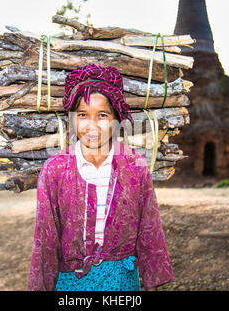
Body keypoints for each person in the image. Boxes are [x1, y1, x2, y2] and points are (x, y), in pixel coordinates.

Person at [26, 64, 175, 291]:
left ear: (116, 119)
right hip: (71, 286)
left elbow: (149, 229)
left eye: (102, 115)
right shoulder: (54, 170)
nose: (92, 125)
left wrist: (151, 284)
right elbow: (45, 242)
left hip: (122, 284)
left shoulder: (134, 166)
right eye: (83, 115)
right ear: (71, 118)